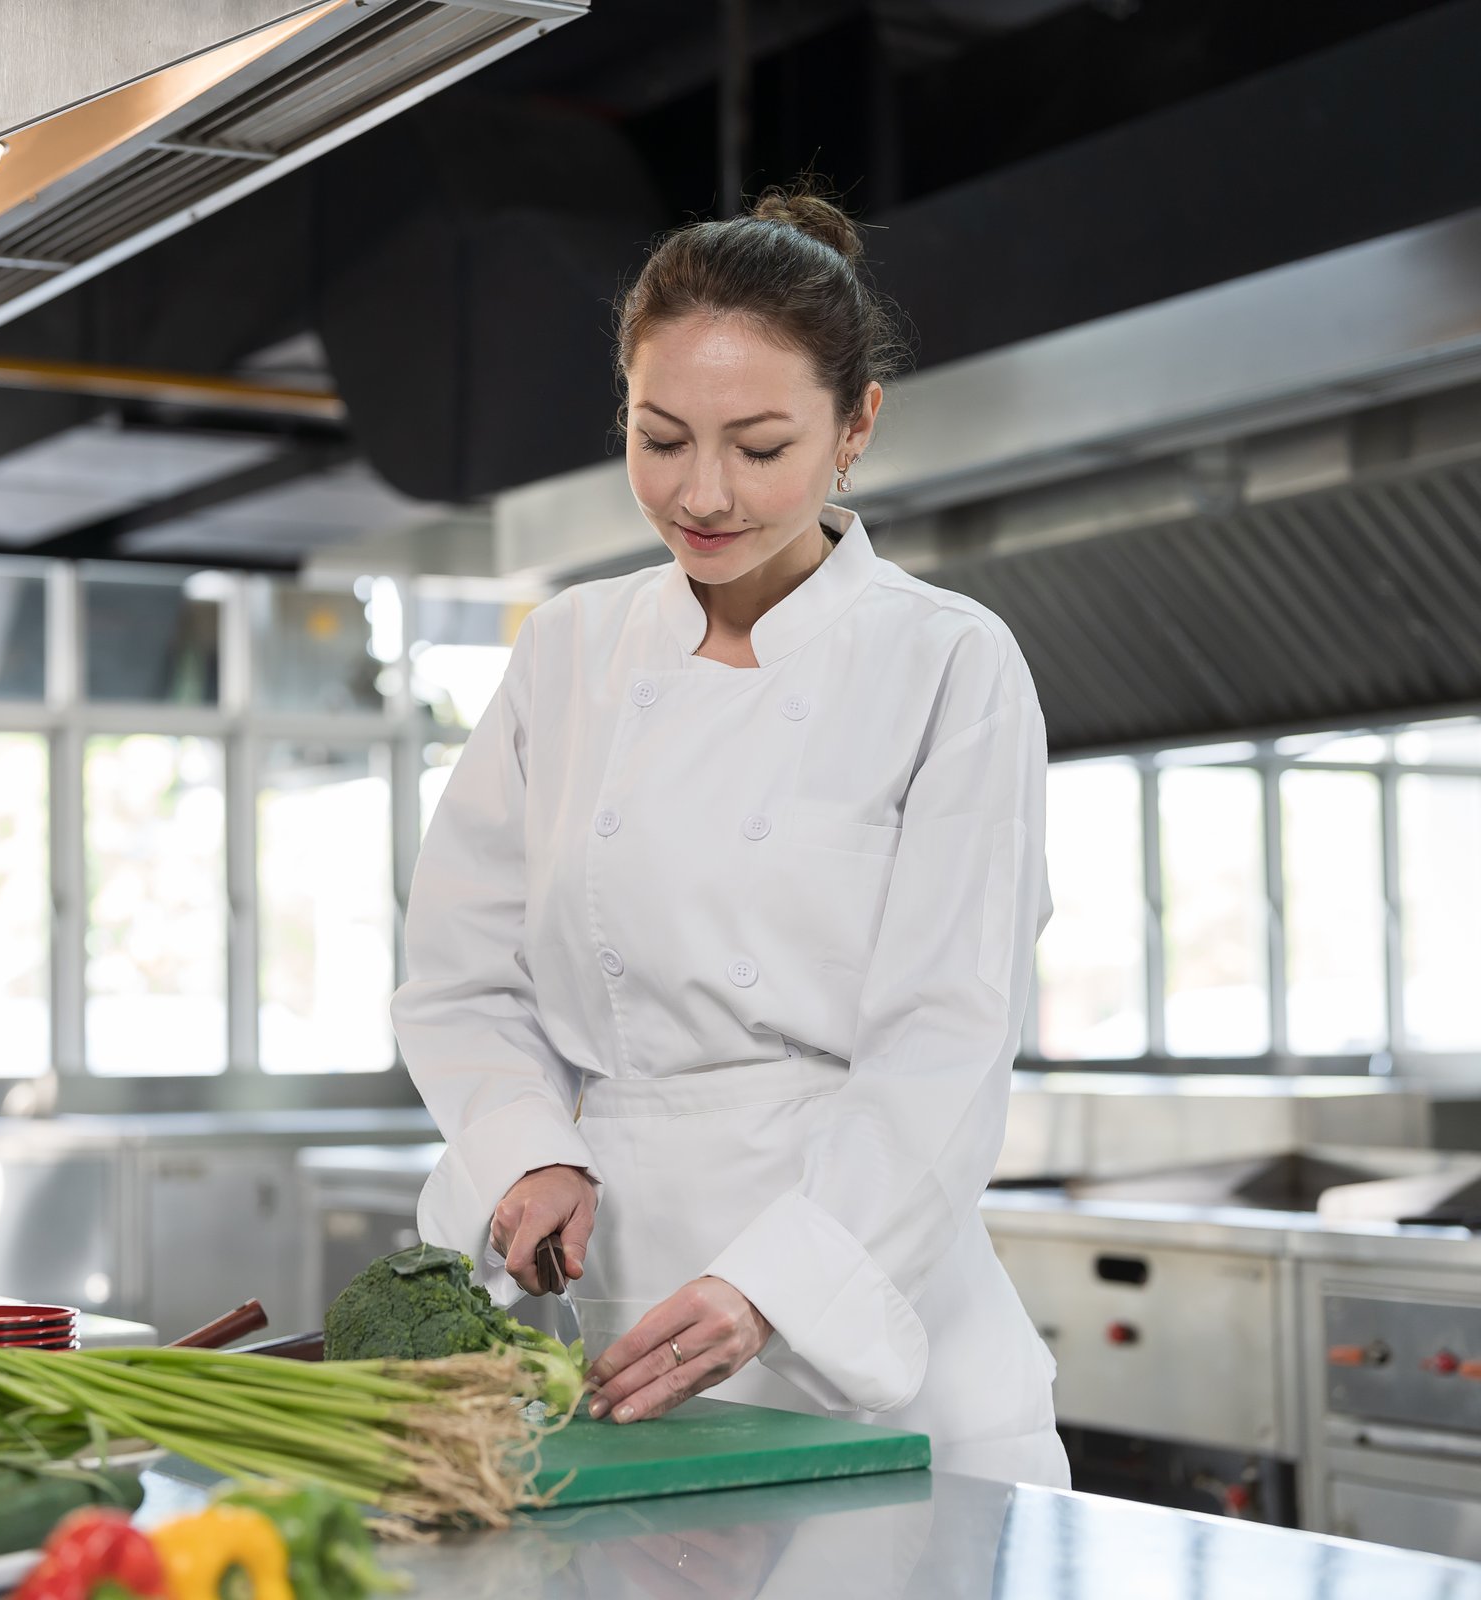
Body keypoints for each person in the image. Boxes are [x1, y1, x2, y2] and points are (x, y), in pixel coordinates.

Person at [392, 186, 1067, 1486]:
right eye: (660, 439)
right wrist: (525, 1147)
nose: (701, 495)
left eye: (759, 447)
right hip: (627, 1327)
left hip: (877, 1332)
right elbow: (462, 974)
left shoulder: (947, 662)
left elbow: (948, 1037)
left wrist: (775, 1284)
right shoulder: (571, 652)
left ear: (857, 425)